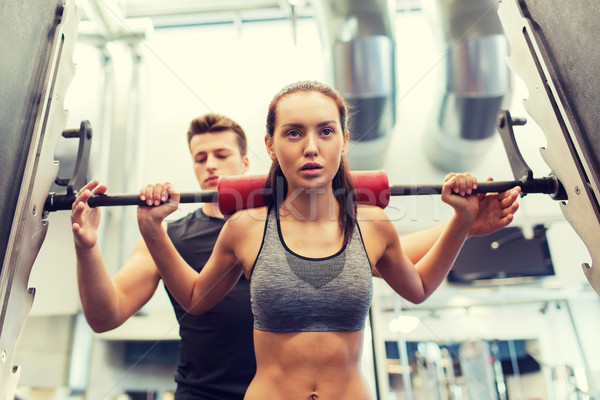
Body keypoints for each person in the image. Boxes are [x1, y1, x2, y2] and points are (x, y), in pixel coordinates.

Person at [136, 81, 521, 400]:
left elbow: (418, 287)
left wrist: (462, 218)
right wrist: (153, 230)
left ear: (344, 139)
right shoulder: (246, 226)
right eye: (293, 132)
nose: (310, 147)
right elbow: (195, 299)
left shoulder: (372, 223)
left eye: (325, 131)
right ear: (270, 146)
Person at [70, 114, 256, 399]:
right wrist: (87, 248)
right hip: (201, 394)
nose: (210, 164)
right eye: (200, 157)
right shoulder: (167, 236)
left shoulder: (276, 229)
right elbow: (104, 316)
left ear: (245, 163)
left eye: (221, 154)